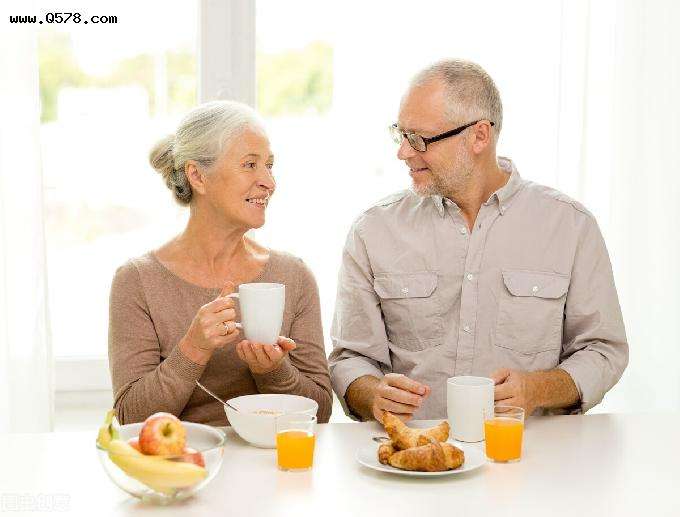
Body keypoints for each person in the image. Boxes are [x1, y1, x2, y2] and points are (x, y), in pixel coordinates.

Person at [328, 59, 628, 422]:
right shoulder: (372, 231)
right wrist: (372, 393)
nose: (403, 152)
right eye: (400, 134)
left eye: (419, 139)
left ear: (479, 136)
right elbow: (350, 358)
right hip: (414, 462)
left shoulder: (570, 226)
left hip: (531, 461)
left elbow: (603, 350)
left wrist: (537, 389)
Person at [109, 100, 332, 425]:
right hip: (183, 469)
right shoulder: (136, 281)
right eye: (250, 165)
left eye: (270, 165)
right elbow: (130, 418)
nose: (269, 181)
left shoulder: (293, 276)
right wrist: (194, 348)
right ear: (198, 176)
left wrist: (272, 370)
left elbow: (321, 411)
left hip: (274, 467)